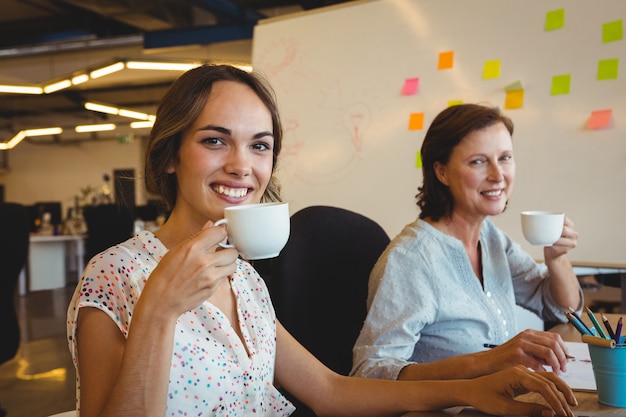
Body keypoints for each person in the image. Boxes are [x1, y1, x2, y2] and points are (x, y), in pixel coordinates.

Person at [67, 66, 577, 417]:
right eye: (215, 140)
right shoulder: (118, 274)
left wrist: (472, 391)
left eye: (259, 146)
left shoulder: (243, 277)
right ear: (170, 155)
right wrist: (158, 309)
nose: (243, 165)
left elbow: (330, 390)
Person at [352, 103, 583, 383]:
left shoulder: (492, 238)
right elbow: (371, 373)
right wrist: (488, 362)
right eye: (478, 161)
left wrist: (556, 258)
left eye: (505, 158)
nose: (498, 175)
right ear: (442, 172)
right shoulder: (410, 260)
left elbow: (562, 309)